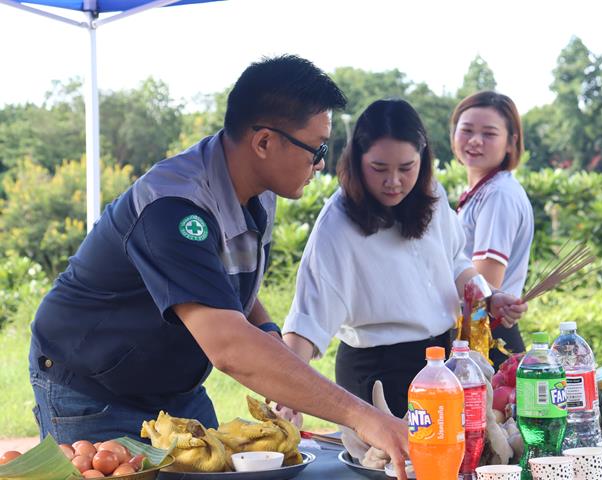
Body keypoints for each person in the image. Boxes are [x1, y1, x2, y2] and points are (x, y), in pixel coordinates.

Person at [29, 55, 410, 477]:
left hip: (174, 389)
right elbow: (229, 346)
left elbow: (225, 288)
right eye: (316, 148)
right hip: (92, 388)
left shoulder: (259, 189)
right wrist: (364, 416)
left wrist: (273, 345)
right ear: (264, 142)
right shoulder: (173, 208)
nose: (321, 163)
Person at [280, 99, 527, 420]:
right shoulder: (338, 222)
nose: (393, 181)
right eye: (379, 168)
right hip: (377, 372)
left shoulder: (431, 196)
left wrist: (488, 297)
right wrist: (287, 395)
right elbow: (306, 321)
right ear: (357, 161)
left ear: (422, 160)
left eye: (406, 168)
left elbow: (455, 262)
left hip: (441, 362)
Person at [450, 91, 534, 367]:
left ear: (511, 143)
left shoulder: (498, 195)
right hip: (477, 333)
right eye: (467, 130)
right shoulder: (484, 191)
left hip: (488, 337)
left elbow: (485, 284)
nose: (475, 141)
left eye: (488, 133)